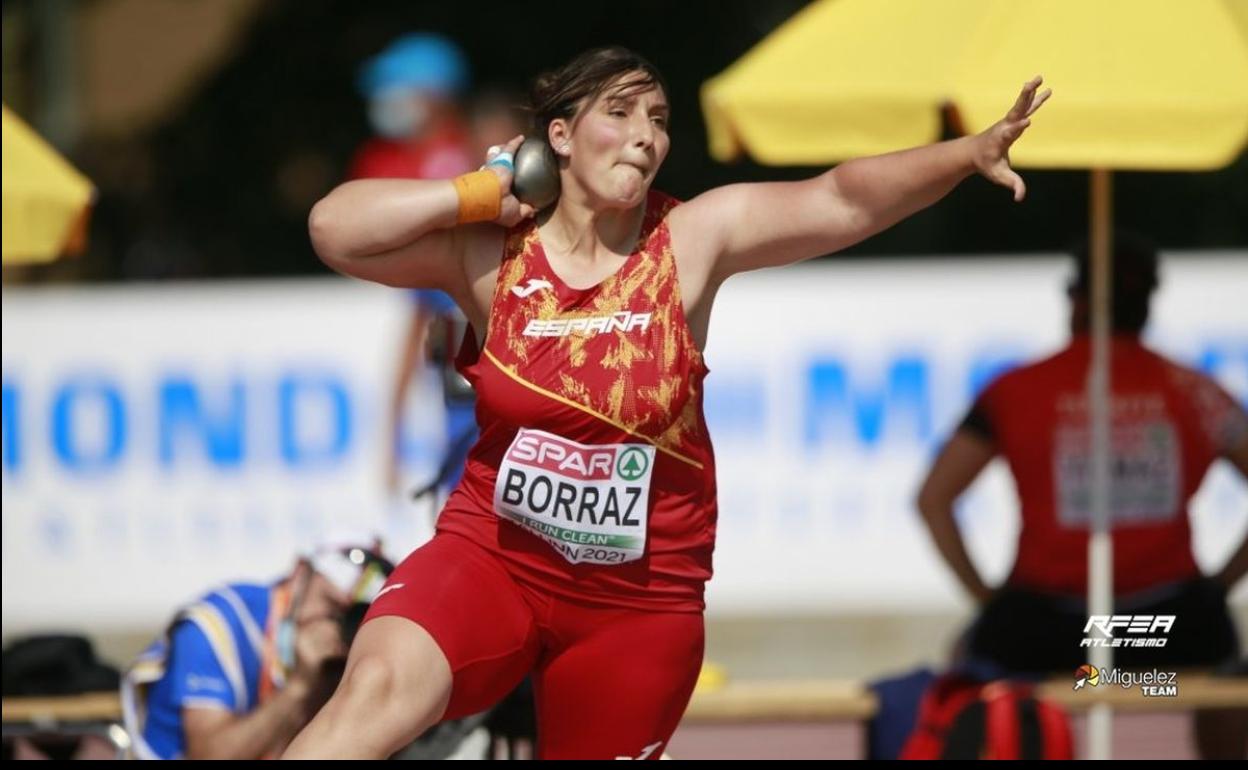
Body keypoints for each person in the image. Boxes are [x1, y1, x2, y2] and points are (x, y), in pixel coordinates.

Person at [287, 45, 1050, 759]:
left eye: (658, 121)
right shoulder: (491, 253)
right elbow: (336, 230)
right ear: (559, 135)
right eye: (620, 112)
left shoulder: (689, 240)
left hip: (637, 603)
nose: (646, 136)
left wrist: (967, 153)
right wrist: (487, 189)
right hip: (493, 560)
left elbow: (842, 199)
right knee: (373, 695)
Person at [916, 233, 1248, 758]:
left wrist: (987, 599)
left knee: (967, 669)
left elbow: (933, 499)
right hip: (1166, 636)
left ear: (1076, 301)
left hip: (1050, 637)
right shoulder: (1196, 392)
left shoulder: (1016, 390)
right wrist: (1220, 585)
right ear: (1145, 305)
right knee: (1229, 676)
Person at [120, 534, 392, 759]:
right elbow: (210, 756)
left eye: (349, 618)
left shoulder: (341, 653)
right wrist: (300, 688)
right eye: (330, 606)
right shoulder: (218, 623)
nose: (333, 626)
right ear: (300, 574)